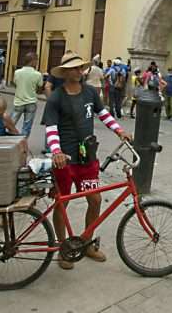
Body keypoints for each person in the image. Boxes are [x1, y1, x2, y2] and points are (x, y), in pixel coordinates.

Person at [42, 51, 132, 270]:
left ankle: (87, 243)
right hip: (65, 161)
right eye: (73, 68)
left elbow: (104, 114)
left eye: (80, 67)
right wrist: (56, 152)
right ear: (64, 73)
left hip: (87, 160)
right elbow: (51, 128)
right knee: (62, 203)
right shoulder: (56, 97)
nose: (78, 71)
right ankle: (63, 248)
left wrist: (120, 131)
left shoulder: (91, 92)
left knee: (95, 200)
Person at [12, 52, 43, 137]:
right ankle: (23, 144)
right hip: (31, 102)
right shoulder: (38, 74)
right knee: (26, 127)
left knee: (11, 124)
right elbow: (39, 90)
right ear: (32, 61)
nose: (37, 63)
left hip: (18, 101)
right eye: (36, 60)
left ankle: (7, 141)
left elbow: (15, 84)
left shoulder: (17, 72)